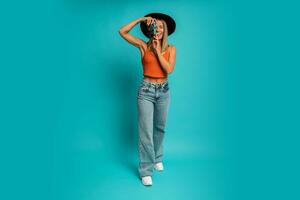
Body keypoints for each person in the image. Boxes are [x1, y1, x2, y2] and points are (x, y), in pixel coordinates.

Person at [119, 13, 176, 186]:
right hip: (146, 90)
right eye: (154, 26)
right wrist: (141, 20)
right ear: (149, 29)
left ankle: (157, 157)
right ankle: (145, 169)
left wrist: (159, 51)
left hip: (163, 90)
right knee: (145, 131)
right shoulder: (143, 46)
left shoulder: (171, 49)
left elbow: (168, 69)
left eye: (161, 27)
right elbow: (122, 32)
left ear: (164, 30)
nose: (157, 29)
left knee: (160, 127)